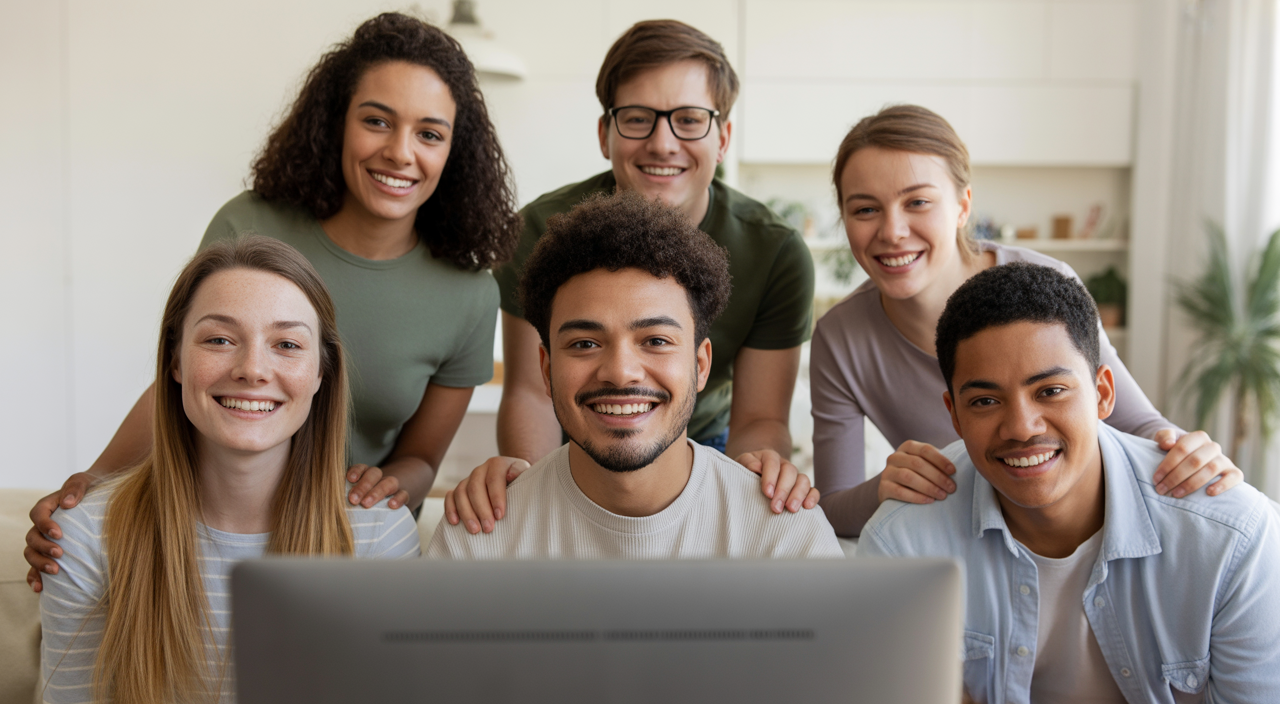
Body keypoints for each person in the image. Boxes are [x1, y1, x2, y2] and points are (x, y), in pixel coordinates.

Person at [26, 12, 519, 589]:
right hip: (208, 529)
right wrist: (92, 485)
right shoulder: (249, 225)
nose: (400, 152)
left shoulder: (468, 294)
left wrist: (388, 489)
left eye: (429, 134)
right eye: (377, 121)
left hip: (346, 545)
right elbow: (186, 378)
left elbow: (422, 459)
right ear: (337, 123)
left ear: (454, 151)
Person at [445, 19, 820, 536]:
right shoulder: (536, 231)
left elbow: (759, 419)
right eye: (638, 118)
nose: (663, 143)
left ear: (723, 138)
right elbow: (533, 391)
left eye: (689, 120)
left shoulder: (776, 251)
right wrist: (532, 504)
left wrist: (742, 513)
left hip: (708, 446)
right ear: (605, 134)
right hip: (576, 437)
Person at [811, 104, 1242, 537]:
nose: (892, 231)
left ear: (963, 206)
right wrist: (883, 488)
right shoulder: (840, 338)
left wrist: (1186, 450)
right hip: (965, 542)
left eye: (918, 202)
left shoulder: (1045, 285)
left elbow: (1137, 423)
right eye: (865, 210)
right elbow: (833, 507)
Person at [860, 263, 1280, 703]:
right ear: (955, 415)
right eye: (985, 401)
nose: (1021, 427)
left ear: (1103, 394)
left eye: (1050, 391)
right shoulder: (902, 545)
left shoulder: (1230, 539)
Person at [39, 236, 421, 703]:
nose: (252, 369)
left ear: (321, 373)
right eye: (219, 340)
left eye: (287, 344)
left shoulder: (380, 535)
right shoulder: (83, 538)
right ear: (175, 361)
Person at [429, 192, 841, 559]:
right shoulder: (478, 541)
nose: (620, 372)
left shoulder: (784, 537)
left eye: (656, 340)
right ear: (547, 369)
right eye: (585, 343)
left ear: (700, 365)